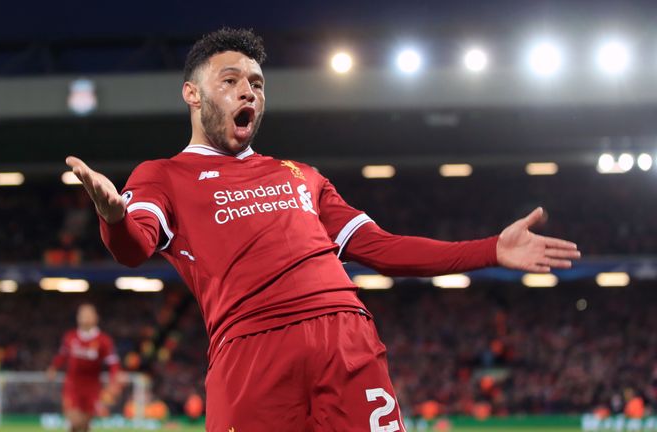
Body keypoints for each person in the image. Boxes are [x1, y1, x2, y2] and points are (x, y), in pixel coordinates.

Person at [65, 28, 580, 431]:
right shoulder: (164, 175)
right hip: (253, 350)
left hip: (347, 338)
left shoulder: (301, 175)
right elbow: (135, 247)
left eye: (257, 84)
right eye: (230, 81)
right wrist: (113, 216)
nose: (248, 91)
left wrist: (490, 248)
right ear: (192, 94)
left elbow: (381, 248)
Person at [47, 303, 121, 432]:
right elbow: (62, 355)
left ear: (95, 318)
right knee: (75, 419)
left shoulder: (104, 341)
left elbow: (113, 363)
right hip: (72, 385)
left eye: (88, 314)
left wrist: (113, 382)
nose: (85, 317)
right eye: (82, 314)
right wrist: (53, 367)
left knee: (85, 424)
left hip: (92, 387)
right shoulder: (70, 337)